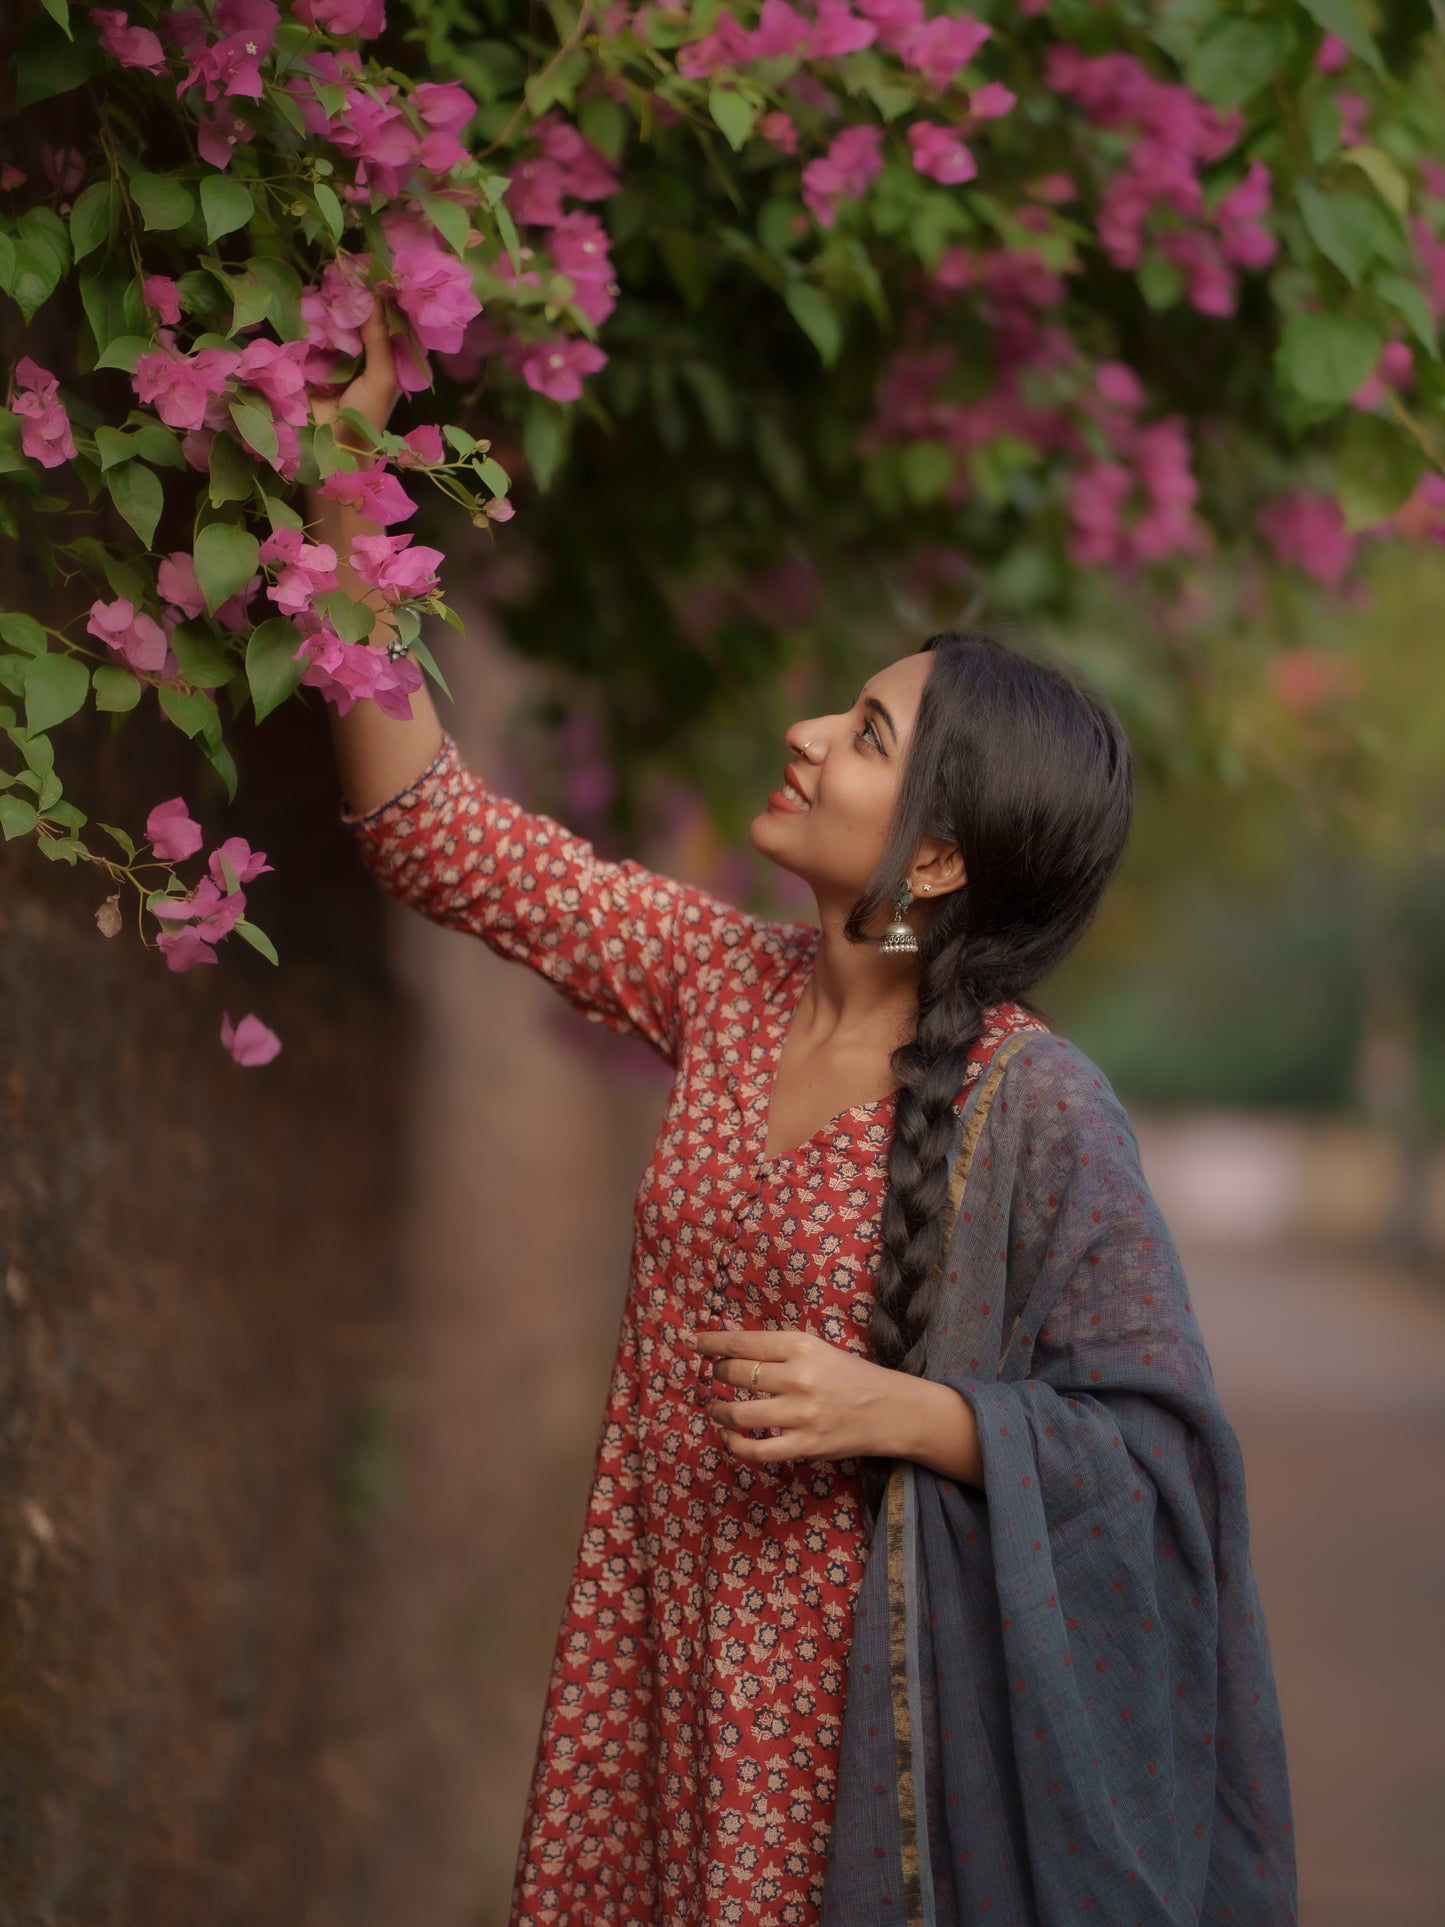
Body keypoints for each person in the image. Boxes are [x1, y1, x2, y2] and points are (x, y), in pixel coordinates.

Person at [312, 321, 1297, 1926]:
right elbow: (430, 831)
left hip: (864, 1750)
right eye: (843, 710)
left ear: (934, 862)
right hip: (648, 1669)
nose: (804, 734)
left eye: (864, 737)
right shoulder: (723, 982)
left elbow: (1160, 1461)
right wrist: (346, 493)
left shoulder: (1035, 1109)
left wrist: (909, 1411)